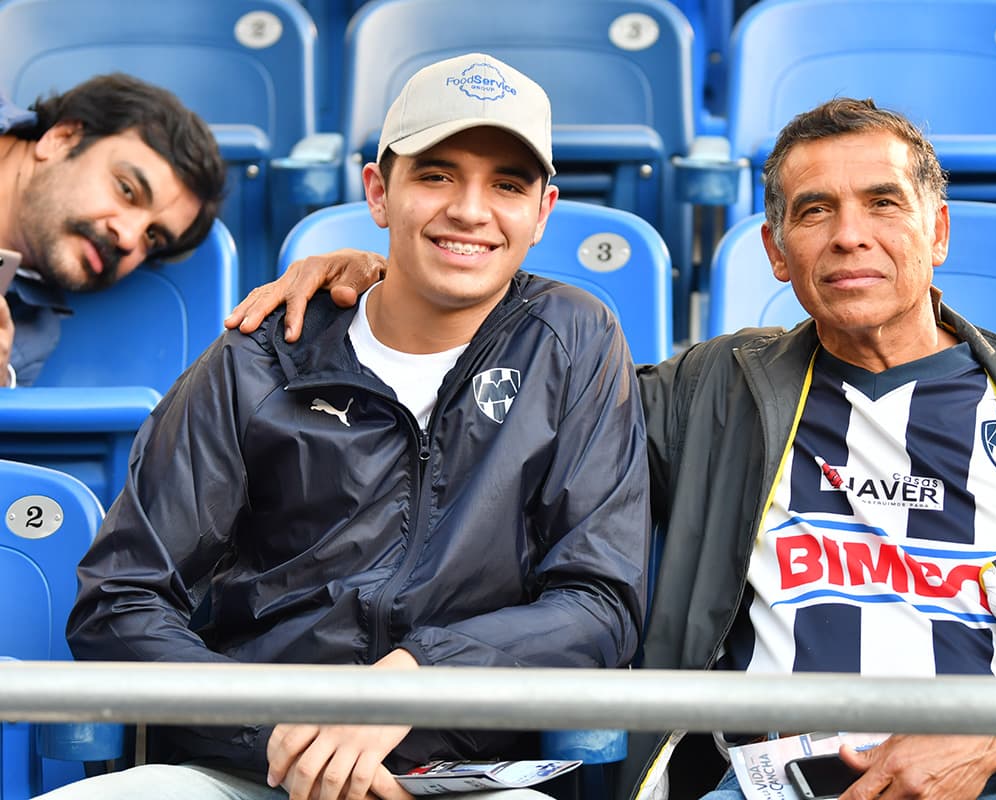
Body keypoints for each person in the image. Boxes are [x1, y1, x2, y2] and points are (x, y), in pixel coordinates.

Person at [223, 97, 996, 800]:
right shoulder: (713, 388)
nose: (848, 235)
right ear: (776, 253)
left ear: (936, 230)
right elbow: (538, 413)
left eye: (882, 204)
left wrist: (993, 735)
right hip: (751, 775)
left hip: (980, 779)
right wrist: (392, 283)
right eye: (812, 211)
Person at [42, 53, 648, 800]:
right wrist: (287, 730)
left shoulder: (573, 338)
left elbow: (598, 601)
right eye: (435, 174)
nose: (469, 208)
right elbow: (121, 600)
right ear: (377, 192)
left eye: (508, 185)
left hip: (459, 777)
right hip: (246, 768)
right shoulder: (259, 357)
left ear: (542, 212)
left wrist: (417, 678)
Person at [0, 72, 224, 387]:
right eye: (127, 190)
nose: (129, 239)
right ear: (62, 139)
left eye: (152, 237)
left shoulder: (26, 339)